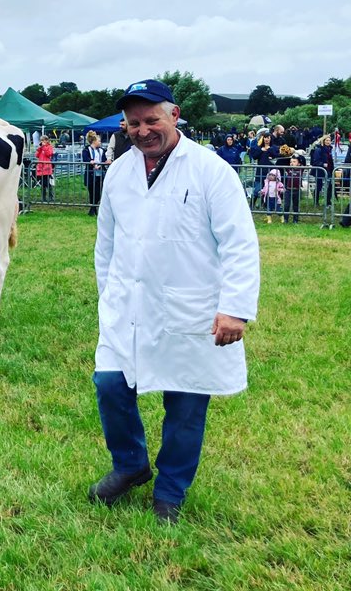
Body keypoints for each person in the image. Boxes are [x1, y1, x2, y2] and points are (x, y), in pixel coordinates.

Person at [89, 79, 259, 524]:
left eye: (151, 120)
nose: (143, 130)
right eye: (133, 123)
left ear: (174, 116)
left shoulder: (210, 170)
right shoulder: (118, 173)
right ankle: (130, 465)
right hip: (129, 305)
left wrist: (236, 307)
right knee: (110, 384)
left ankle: (170, 491)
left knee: (185, 403)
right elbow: (105, 243)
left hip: (192, 309)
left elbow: (239, 242)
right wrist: (109, 295)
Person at [82, 131, 106, 216]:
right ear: (94, 141)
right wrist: (90, 162)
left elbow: (104, 159)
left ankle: (93, 207)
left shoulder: (102, 150)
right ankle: (93, 209)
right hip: (91, 174)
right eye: (99, 141)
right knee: (92, 192)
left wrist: (104, 163)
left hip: (100, 173)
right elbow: (85, 159)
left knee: (99, 192)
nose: (100, 142)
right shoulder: (86, 150)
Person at [310, 135, 334, 207]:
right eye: (326, 140)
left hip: (328, 170)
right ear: (323, 141)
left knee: (330, 185)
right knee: (319, 186)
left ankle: (328, 202)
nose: (328, 142)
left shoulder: (329, 149)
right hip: (320, 171)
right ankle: (316, 202)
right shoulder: (319, 149)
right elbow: (315, 161)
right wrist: (322, 164)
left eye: (329, 140)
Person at [283, 155, 304, 224]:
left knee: (296, 206)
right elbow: (281, 162)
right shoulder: (288, 169)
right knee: (286, 205)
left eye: (294, 162)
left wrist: (297, 154)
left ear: (299, 163)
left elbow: (303, 160)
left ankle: (295, 220)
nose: (292, 163)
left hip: (297, 190)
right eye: (291, 162)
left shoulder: (301, 169)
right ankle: (285, 219)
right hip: (288, 190)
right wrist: (289, 154)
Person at [35, 135, 55, 202]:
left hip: (47, 168)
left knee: (47, 183)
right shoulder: (41, 148)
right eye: (41, 140)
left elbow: (49, 154)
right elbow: (37, 155)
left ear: (46, 141)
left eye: (43, 140)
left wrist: (44, 147)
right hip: (41, 168)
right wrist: (40, 148)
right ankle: (43, 198)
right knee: (43, 184)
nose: (42, 142)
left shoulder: (49, 147)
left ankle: (51, 197)